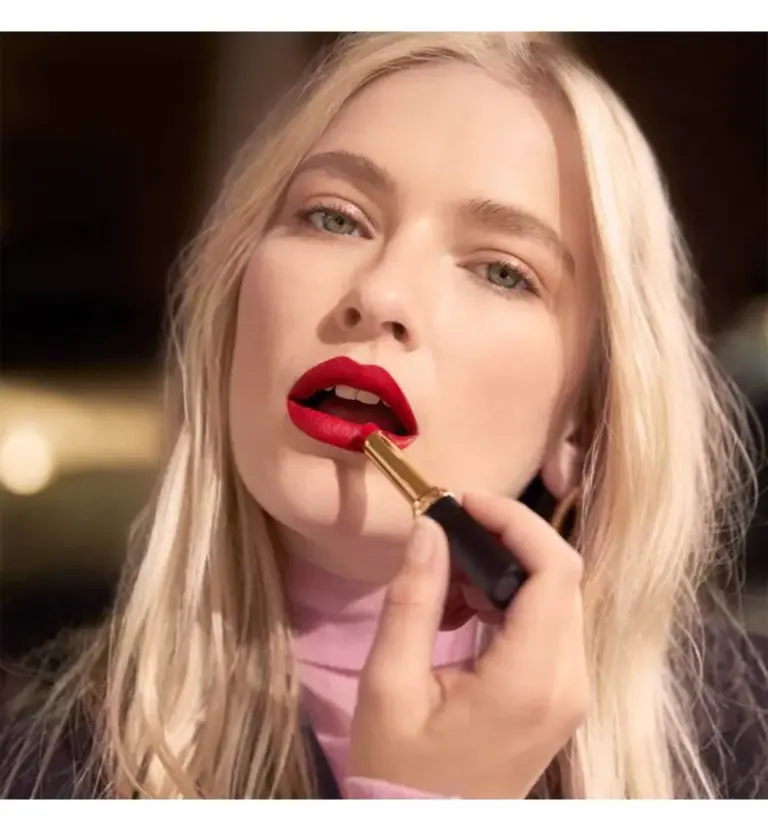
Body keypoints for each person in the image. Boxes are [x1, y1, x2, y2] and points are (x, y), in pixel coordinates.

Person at [2, 31, 766, 800]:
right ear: (233, 303)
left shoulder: (747, 745)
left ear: (584, 421)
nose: (381, 293)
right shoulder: (36, 773)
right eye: (336, 218)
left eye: (501, 271)